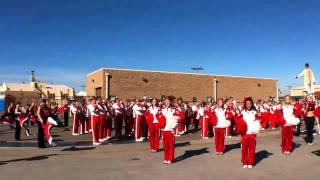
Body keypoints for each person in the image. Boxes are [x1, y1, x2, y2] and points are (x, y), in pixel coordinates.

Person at [234, 97, 261, 169]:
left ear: (252, 104)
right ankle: (245, 162)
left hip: (252, 133)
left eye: (250, 104)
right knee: (244, 149)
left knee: (252, 149)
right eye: (247, 104)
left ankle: (250, 162)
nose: (248, 105)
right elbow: (237, 120)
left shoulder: (255, 112)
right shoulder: (242, 112)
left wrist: (259, 117)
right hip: (244, 133)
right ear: (245, 105)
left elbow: (260, 119)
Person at [158, 96, 179, 164]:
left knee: (171, 145)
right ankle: (166, 158)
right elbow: (157, 115)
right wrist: (160, 121)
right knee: (165, 145)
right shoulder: (162, 109)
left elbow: (181, 116)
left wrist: (176, 122)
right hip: (164, 129)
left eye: (168, 101)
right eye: (166, 101)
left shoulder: (174, 109)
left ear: (170, 102)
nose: (167, 102)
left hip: (171, 130)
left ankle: (171, 158)